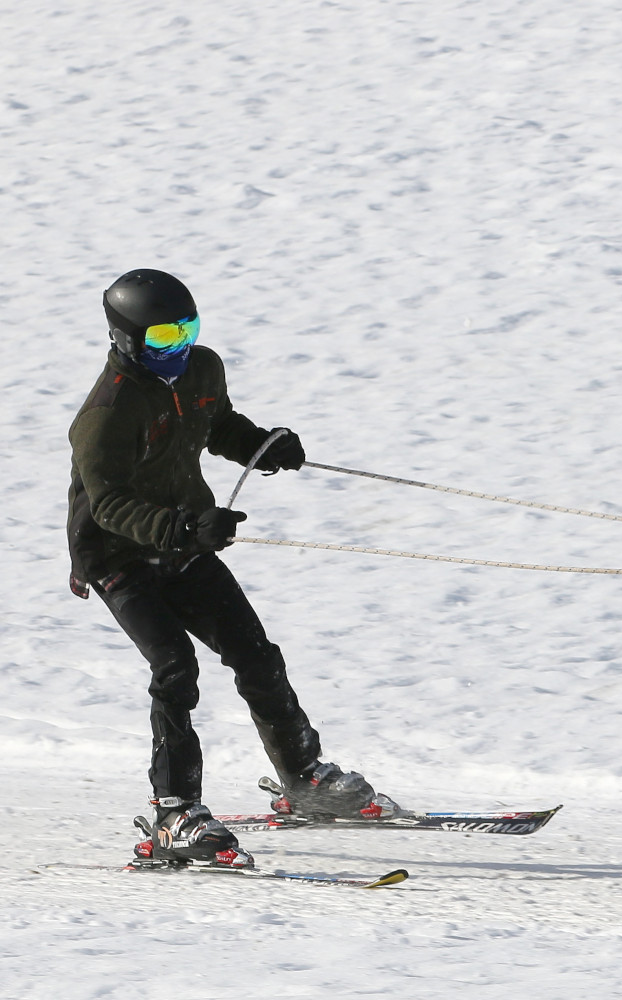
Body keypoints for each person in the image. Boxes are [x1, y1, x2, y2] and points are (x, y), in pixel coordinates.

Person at [67, 268, 399, 868]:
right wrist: (183, 528)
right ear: (127, 340)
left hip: (183, 541)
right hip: (117, 554)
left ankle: (304, 781)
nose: (181, 345)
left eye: (188, 329)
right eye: (165, 336)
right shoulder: (105, 413)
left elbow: (213, 424)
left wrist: (260, 447)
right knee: (175, 666)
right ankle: (175, 814)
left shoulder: (201, 368)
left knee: (255, 653)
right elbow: (110, 505)